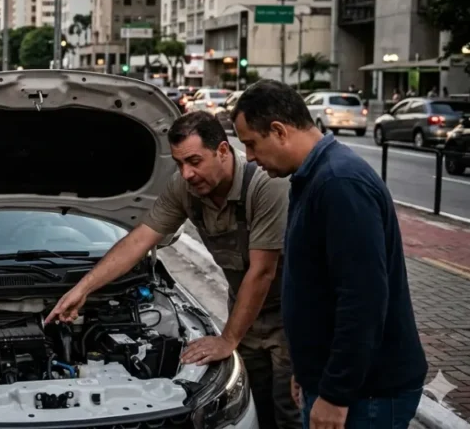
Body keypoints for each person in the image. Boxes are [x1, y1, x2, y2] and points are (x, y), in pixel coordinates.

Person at [45, 111, 299, 429]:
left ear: (222, 150)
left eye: (194, 161)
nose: (187, 174)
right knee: (258, 407)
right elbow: (139, 239)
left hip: (292, 317)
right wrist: (82, 290)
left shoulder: (265, 185)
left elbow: (263, 271)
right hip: (246, 312)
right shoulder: (185, 187)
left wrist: (228, 338)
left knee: (290, 412)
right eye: (179, 164)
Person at [231, 80, 427, 429]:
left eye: (251, 144)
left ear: (278, 131)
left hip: (365, 397)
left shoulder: (339, 184)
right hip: (335, 384)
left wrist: (335, 393)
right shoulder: (312, 178)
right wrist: (307, 372)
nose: (249, 157)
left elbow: (362, 300)